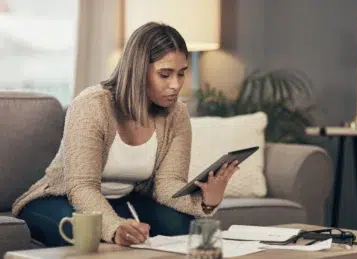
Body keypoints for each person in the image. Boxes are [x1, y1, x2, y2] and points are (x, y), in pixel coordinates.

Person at [11, 22, 239, 247]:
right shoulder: (91, 105)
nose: (175, 85)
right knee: (82, 233)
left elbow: (167, 184)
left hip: (124, 201)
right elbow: (81, 187)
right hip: (60, 198)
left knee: (183, 228)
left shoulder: (177, 114)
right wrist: (114, 227)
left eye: (181, 74)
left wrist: (207, 201)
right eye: (165, 74)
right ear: (139, 70)